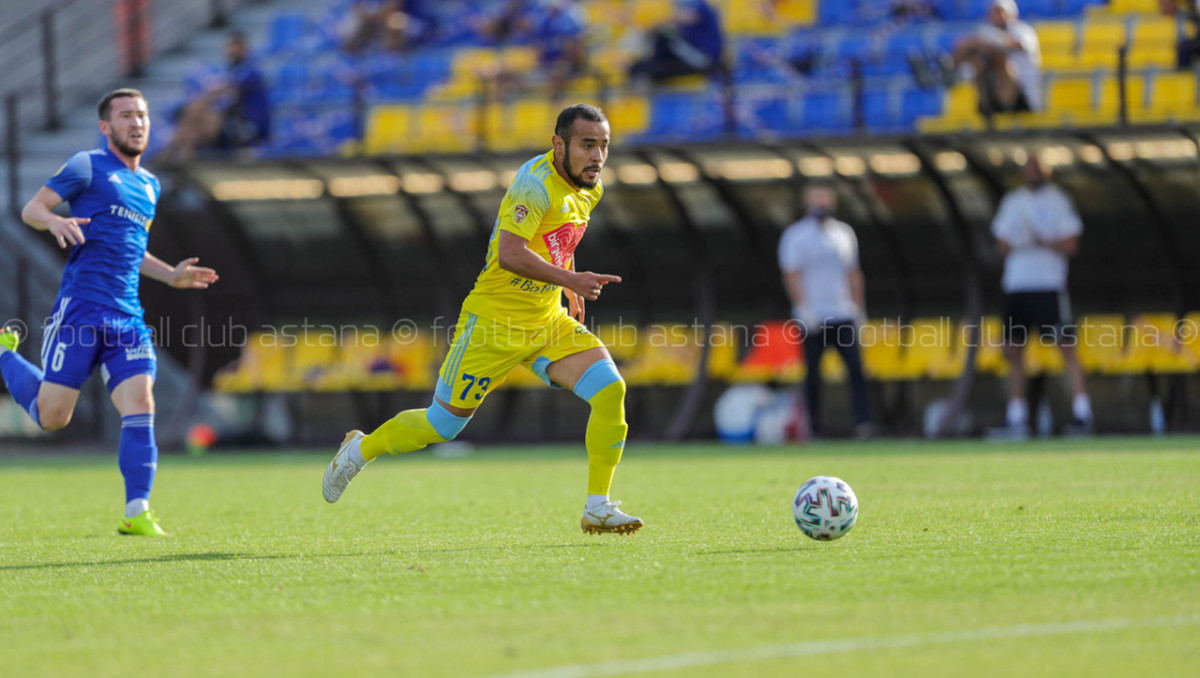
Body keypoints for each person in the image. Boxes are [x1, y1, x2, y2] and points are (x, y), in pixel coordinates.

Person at [323, 104, 642, 535]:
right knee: (443, 426)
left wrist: (566, 284)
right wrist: (570, 276)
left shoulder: (590, 186)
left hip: (547, 321)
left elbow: (555, 237)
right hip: (492, 323)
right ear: (558, 144)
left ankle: (597, 506)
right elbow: (511, 255)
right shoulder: (534, 186)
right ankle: (360, 450)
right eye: (588, 145)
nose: (598, 156)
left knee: (609, 389)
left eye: (604, 145)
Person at [0, 89, 219, 536]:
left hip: (127, 318)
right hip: (81, 309)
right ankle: (5, 355)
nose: (136, 122)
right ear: (106, 127)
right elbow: (31, 208)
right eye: (125, 116)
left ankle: (136, 509)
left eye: (141, 114)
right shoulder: (87, 165)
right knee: (52, 416)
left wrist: (170, 275)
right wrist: (55, 220)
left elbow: (130, 249)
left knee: (141, 402)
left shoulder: (150, 185)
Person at [991, 153, 1092, 437]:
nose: (1032, 171)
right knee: (1013, 351)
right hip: (1016, 286)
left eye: (1038, 166)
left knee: (1066, 349)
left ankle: (1083, 414)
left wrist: (1044, 241)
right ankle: (1017, 418)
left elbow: (1071, 243)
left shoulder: (1059, 201)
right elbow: (1002, 243)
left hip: (1048, 285)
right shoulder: (1012, 202)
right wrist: (1022, 240)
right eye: (1028, 166)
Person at [777, 184, 872, 439]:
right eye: (816, 199)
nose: (821, 204)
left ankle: (863, 424)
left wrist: (858, 307)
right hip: (813, 317)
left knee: (856, 370)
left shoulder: (843, 233)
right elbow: (792, 274)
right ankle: (815, 427)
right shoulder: (795, 235)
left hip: (843, 313)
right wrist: (804, 308)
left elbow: (853, 273)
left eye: (825, 199)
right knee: (813, 374)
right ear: (807, 203)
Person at [165, 31, 270, 163]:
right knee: (190, 136)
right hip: (229, 119)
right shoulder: (231, 69)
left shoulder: (251, 70)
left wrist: (200, 104)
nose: (231, 50)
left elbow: (224, 89)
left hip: (248, 123)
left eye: (235, 46)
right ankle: (176, 163)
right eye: (230, 46)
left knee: (195, 112)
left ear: (244, 48)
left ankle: (169, 150)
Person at [951, 0, 1041, 114]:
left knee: (996, 57)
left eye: (1002, 11)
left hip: (1022, 95)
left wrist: (985, 44)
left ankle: (961, 75)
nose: (1000, 16)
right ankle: (953, 71)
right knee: (976, 57)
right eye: (995, 12)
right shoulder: (987, 31)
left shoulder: (1023, 31)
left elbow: (1015, 45)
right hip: (993, 91)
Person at [629, 0, 724, 84]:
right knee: (642, 65)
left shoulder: (700, 5)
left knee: (665, 37)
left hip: (704, 59)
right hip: (690, 57)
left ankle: (646, 72)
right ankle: (645, 71)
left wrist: (655, 24)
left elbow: (687, 17)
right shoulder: (686, 7)